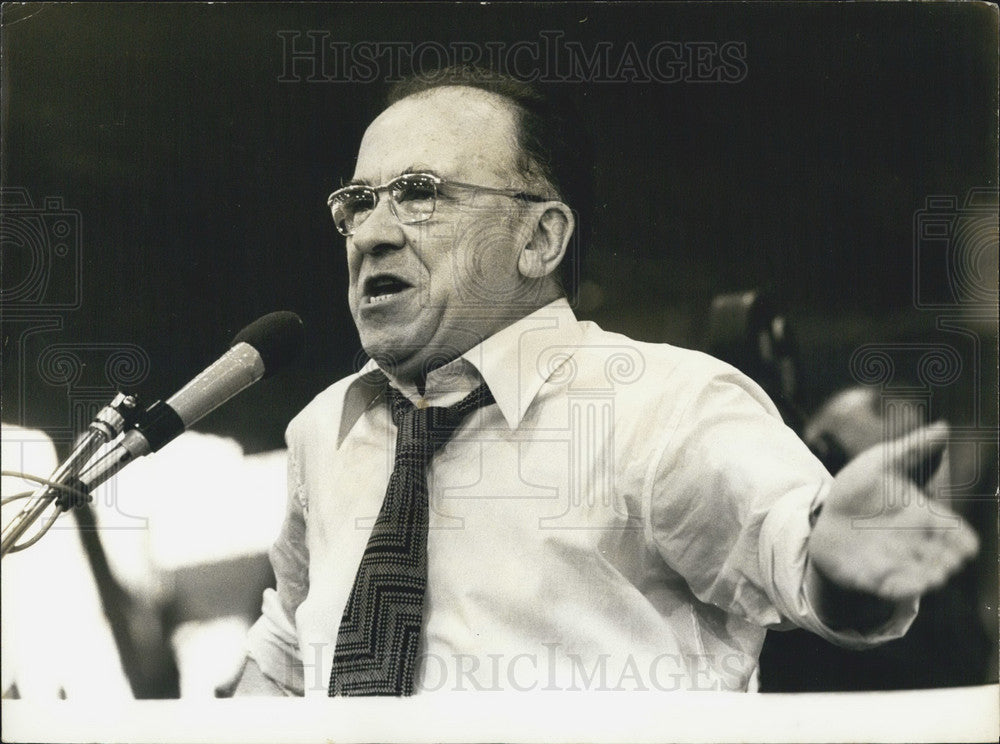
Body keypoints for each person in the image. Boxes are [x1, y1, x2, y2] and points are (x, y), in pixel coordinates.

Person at [235, 67, 978, 696]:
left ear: (540, 238)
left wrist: (836, 562)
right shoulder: (321, 431)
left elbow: (790, 546)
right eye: (358, 202)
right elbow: (290, 651)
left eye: (420, 193)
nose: (371, 233)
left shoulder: (664, 403)